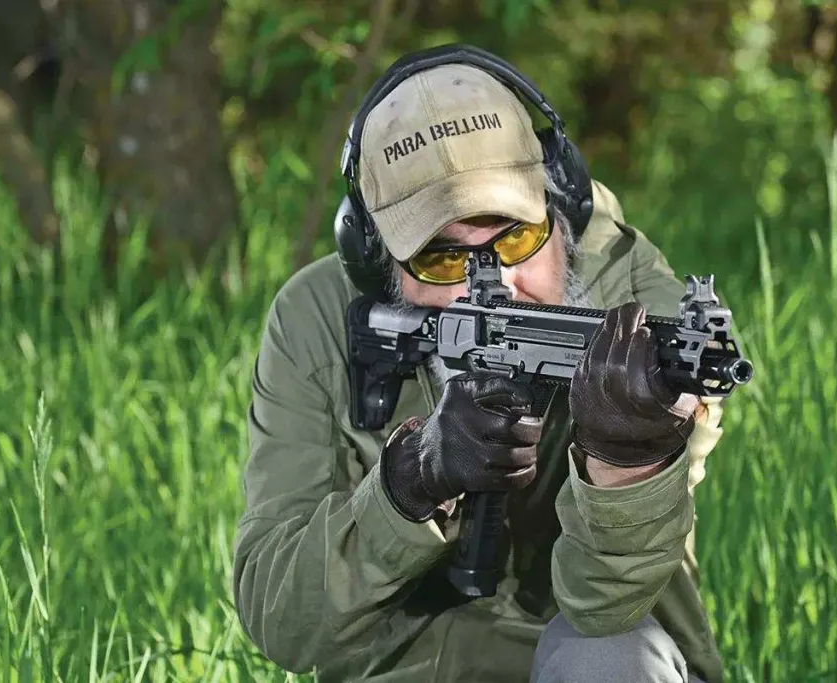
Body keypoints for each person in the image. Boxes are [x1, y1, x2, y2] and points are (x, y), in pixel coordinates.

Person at [232, 44, 729, 683]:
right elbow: (284, 624)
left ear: (561, 207)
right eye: (442, 259)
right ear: (374, 260)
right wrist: (410, 483)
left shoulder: (640, 315)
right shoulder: (317, 318)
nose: (491, 284)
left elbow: (607, 609)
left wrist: (623, 463)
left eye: (516, 238)